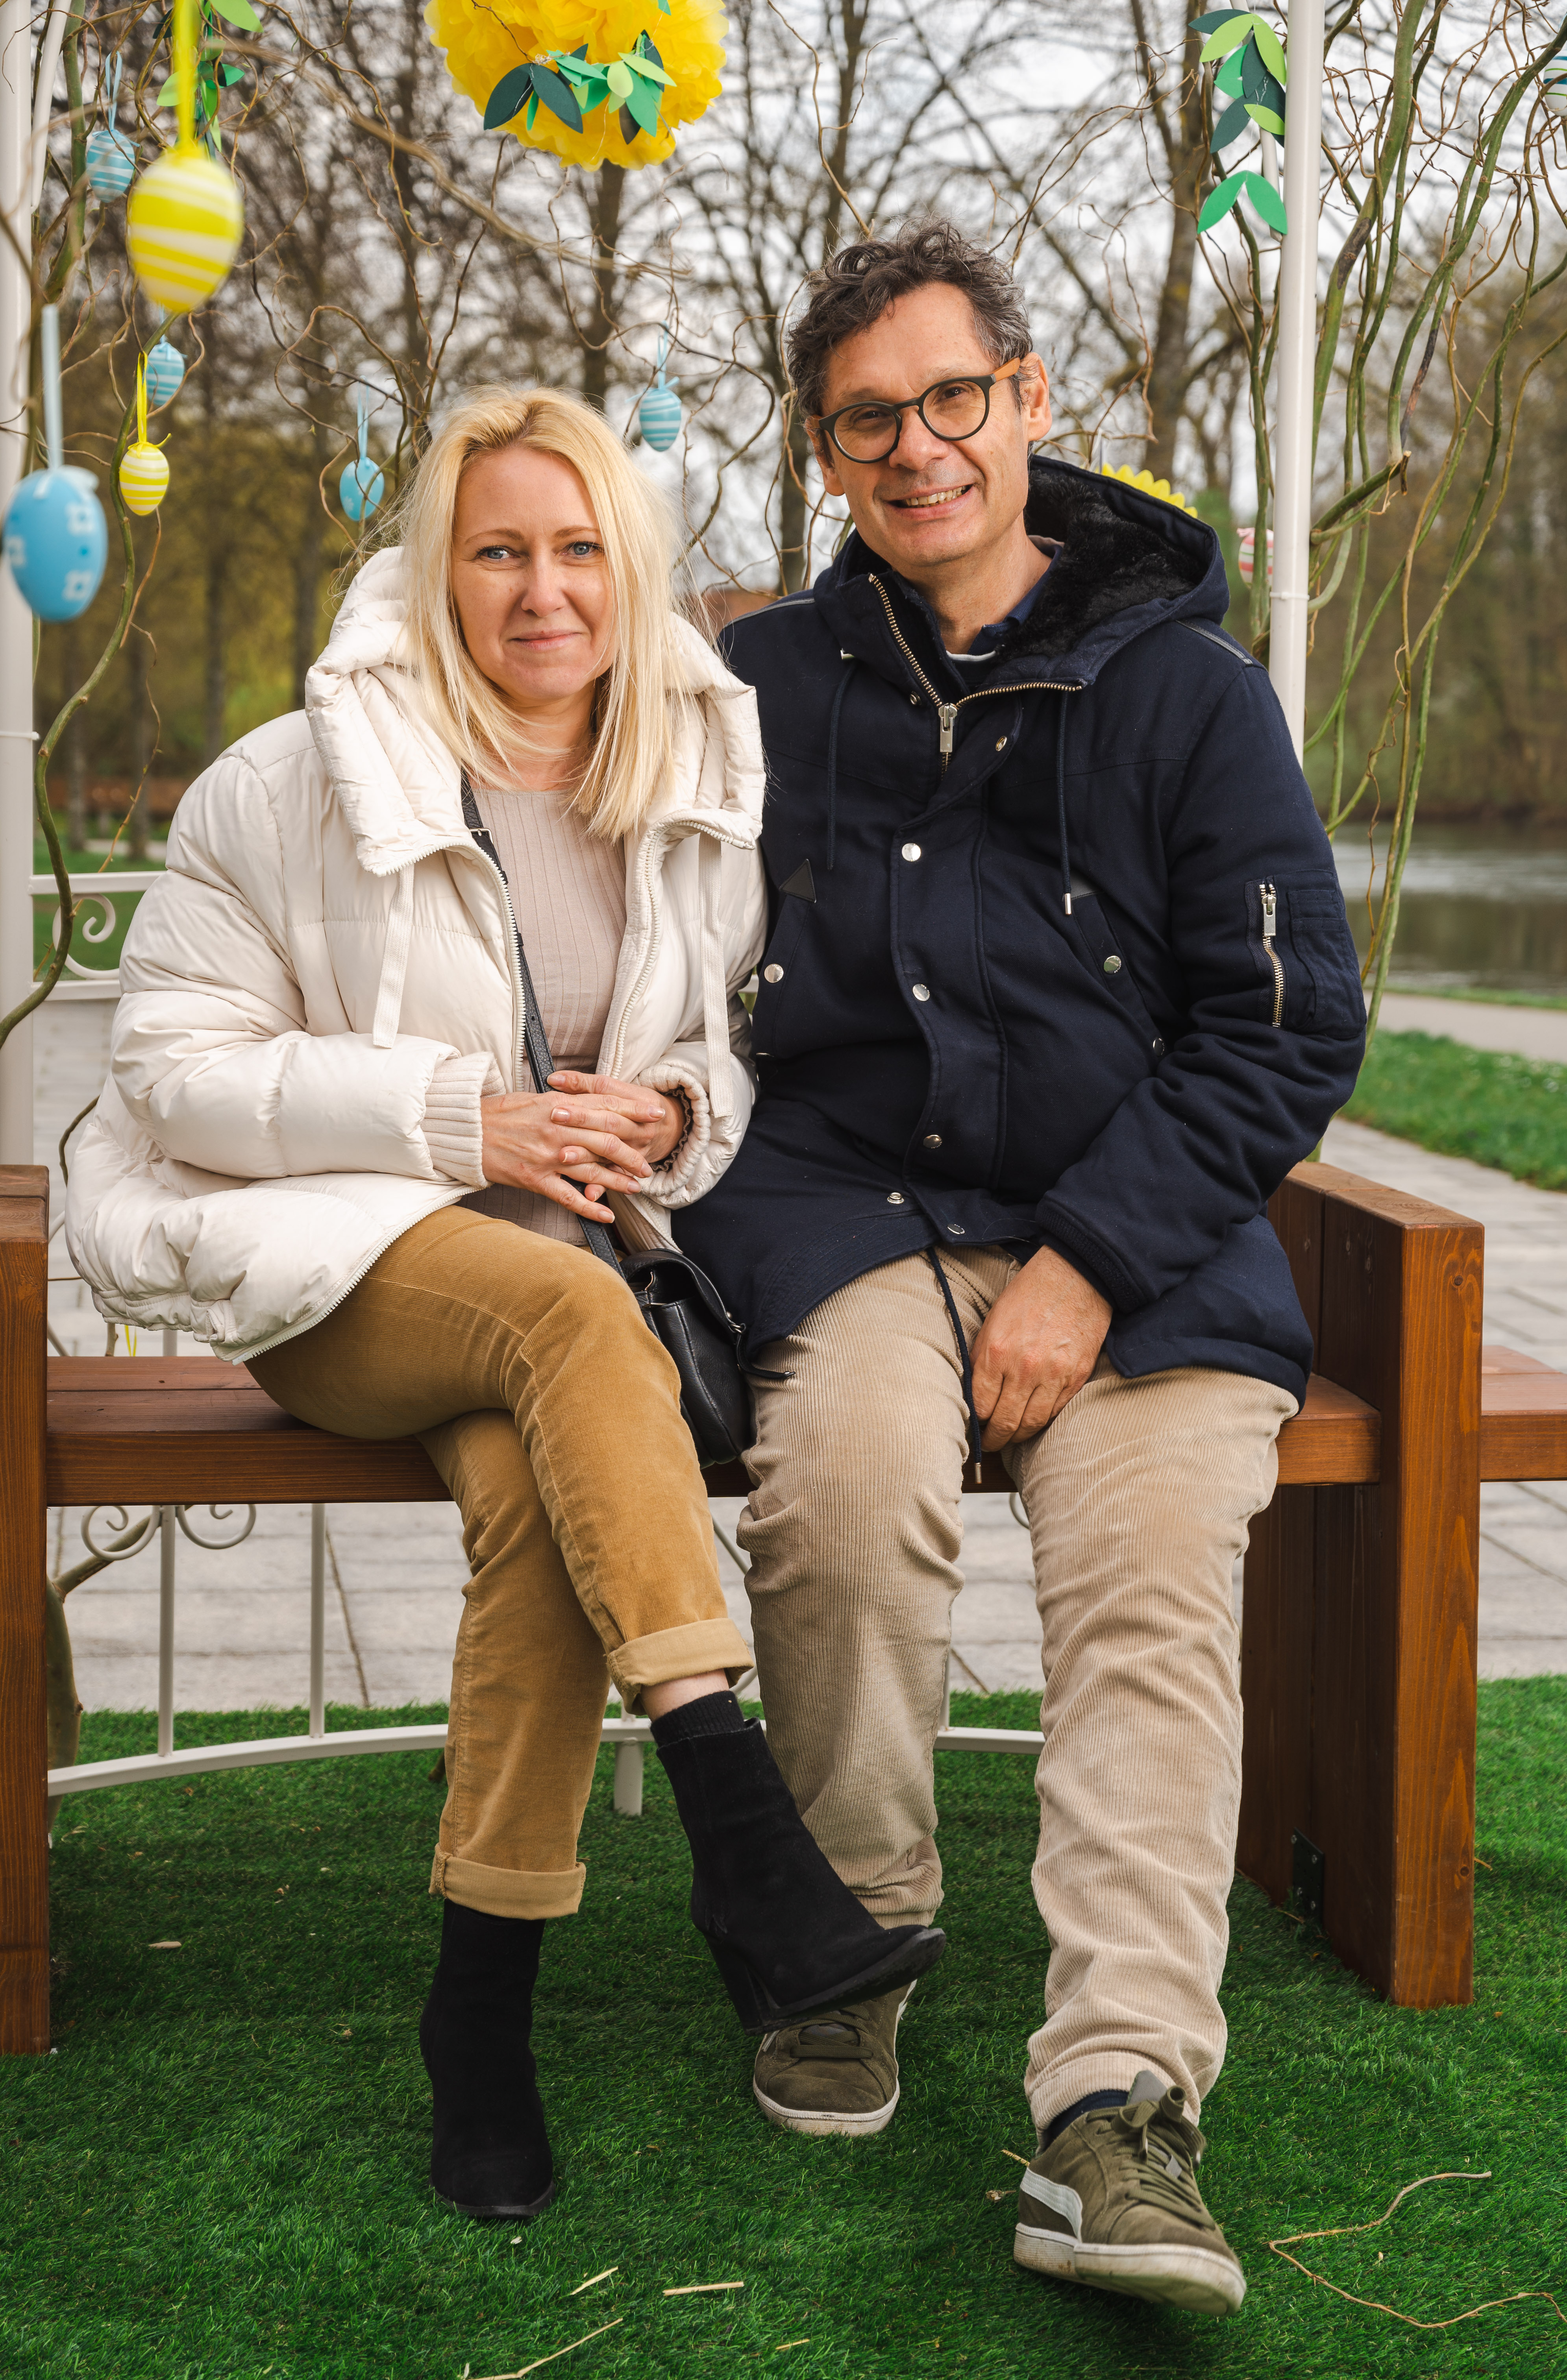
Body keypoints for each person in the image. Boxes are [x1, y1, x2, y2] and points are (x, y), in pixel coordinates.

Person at [64, 385, 942, 2225]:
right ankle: (738, 1827)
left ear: (628, 567)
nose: (543, 592)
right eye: (497, 553)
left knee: (548, 1500)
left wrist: (674, 1109)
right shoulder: (293, 781)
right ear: (436, 570)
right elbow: (169, 1069)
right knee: (564, 1324)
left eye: (575, 550)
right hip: (338, 1270)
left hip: (570, 1288)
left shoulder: (686, 776)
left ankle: (480, 2018)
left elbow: (714, 1037)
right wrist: (459, 1117)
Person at [677, 224, 1367, 2317]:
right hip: (847, 1212)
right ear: (824, 452)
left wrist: (1083, 1267)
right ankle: (849, 1943)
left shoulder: (1192, 694)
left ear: (1029, 396)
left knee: (1151, 1581)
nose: (918, 449)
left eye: (950, 398)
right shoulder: (760, 688)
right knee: (842, 1492)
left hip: (1139, 1242)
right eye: (866, 420)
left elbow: (1286, 1027)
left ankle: (1117, 2107)